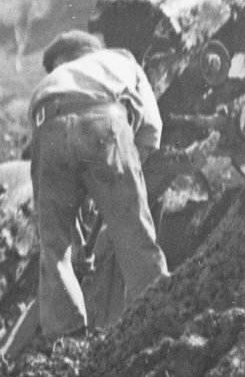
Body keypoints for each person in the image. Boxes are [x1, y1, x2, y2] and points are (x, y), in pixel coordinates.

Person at [28, 29, 169, 342]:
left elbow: (54, 195)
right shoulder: (121, 60)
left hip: (46, 124)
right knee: (133, 232)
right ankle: (157, 313)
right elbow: (152, 130)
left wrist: (79, 237)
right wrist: (122, 184)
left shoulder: (48, 83)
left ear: (62, 62)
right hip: (103, 119)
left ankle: (66, 341)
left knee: (53, 246)